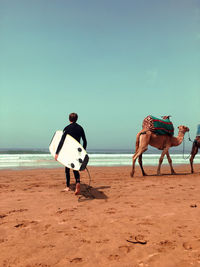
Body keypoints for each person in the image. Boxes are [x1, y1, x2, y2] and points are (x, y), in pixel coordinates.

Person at [55, 113, 87, 195]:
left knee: (67, 169)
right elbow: (85, 141)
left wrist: (57, 152)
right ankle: (78, 183)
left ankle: (67, 186)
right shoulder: (80, 128)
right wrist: (83, 152)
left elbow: (62, 141)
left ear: (69, 119)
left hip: (68, 151)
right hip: (77, 152)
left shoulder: (67, 128)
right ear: (77, 119)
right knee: (75, 168)